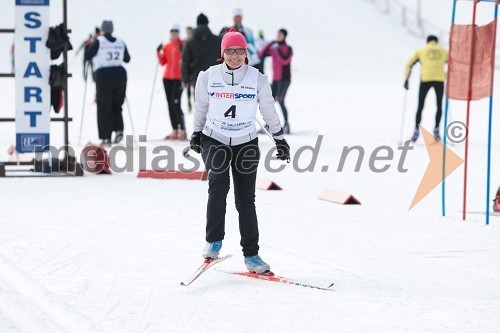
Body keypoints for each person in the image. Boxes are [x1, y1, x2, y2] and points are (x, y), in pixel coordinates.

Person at [189, 28, 290, 273]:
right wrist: (196, 132)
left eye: (240, 51)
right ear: (222, 53)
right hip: (215, 139)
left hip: (246, 142)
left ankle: (252, 255)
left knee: (246, 200)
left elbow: (268, 110)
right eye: (230, 51)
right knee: (219, 184)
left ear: (246, 53)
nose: (235, 56)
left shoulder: (257, 79)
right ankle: (213, 241)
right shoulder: (208, 77)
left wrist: (279, 139)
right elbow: (201, 107)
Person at [85, 20, 131, 146]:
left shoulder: (99, 41)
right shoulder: (120, 42)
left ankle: (106, 137)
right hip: (120, 75)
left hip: (104, 76)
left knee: (104, 107)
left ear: (102, 30)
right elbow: (127, 59)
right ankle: (119, 130)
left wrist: (90, 43)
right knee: (117, 105)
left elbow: (88, 55)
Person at [404, 35, 448, 142]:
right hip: (439, 80)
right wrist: (446, 75)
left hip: (425, 80)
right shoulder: (444, 51)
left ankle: (416, 131)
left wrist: (406, 79)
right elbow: (453, 65)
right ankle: (437, 129)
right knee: (439, 106)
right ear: (436, 42)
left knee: (420, 106)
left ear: (427, 41)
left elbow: (409, 64)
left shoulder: (421, 51)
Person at [259, 29, 293, 134]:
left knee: (281, 100)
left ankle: (286, 125)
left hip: (285, 78)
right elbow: (262, 53)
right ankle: (269, 124)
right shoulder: (274, 48)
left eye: (280, 35)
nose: (278, 36)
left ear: (284, 36)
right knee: (271, 101)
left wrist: (276, 50)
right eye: (277, 35)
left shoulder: (288, 48)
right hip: (276, 79)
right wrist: (271, 43)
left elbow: (284, 60)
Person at [157, 23, 186, 140]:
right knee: (170, 104)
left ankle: (182, 129)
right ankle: (175, 129)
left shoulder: (182, 44)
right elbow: (163, 62)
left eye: (176, 32)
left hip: (178, 78)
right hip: (167, 77)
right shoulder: (167, 46)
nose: (174, 34)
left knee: (176, 103)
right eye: (172, 32)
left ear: (178, 33)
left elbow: (187, 58)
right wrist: (158, 52)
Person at [181, 13, 221, 91]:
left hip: (197, 78)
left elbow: (185, 61)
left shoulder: (190, 42)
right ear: (207, 23)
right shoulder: (218, 40)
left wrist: (185, 79)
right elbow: (223, 59)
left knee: (200, 102)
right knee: (215, 101)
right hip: (215, 77)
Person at [185, 26, 194, 112]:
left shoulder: (194, 41)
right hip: (188, 69)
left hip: (193, 69)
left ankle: (195, 103)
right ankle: (189, 104)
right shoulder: (185, 42)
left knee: (195, 88)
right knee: (187, 89)